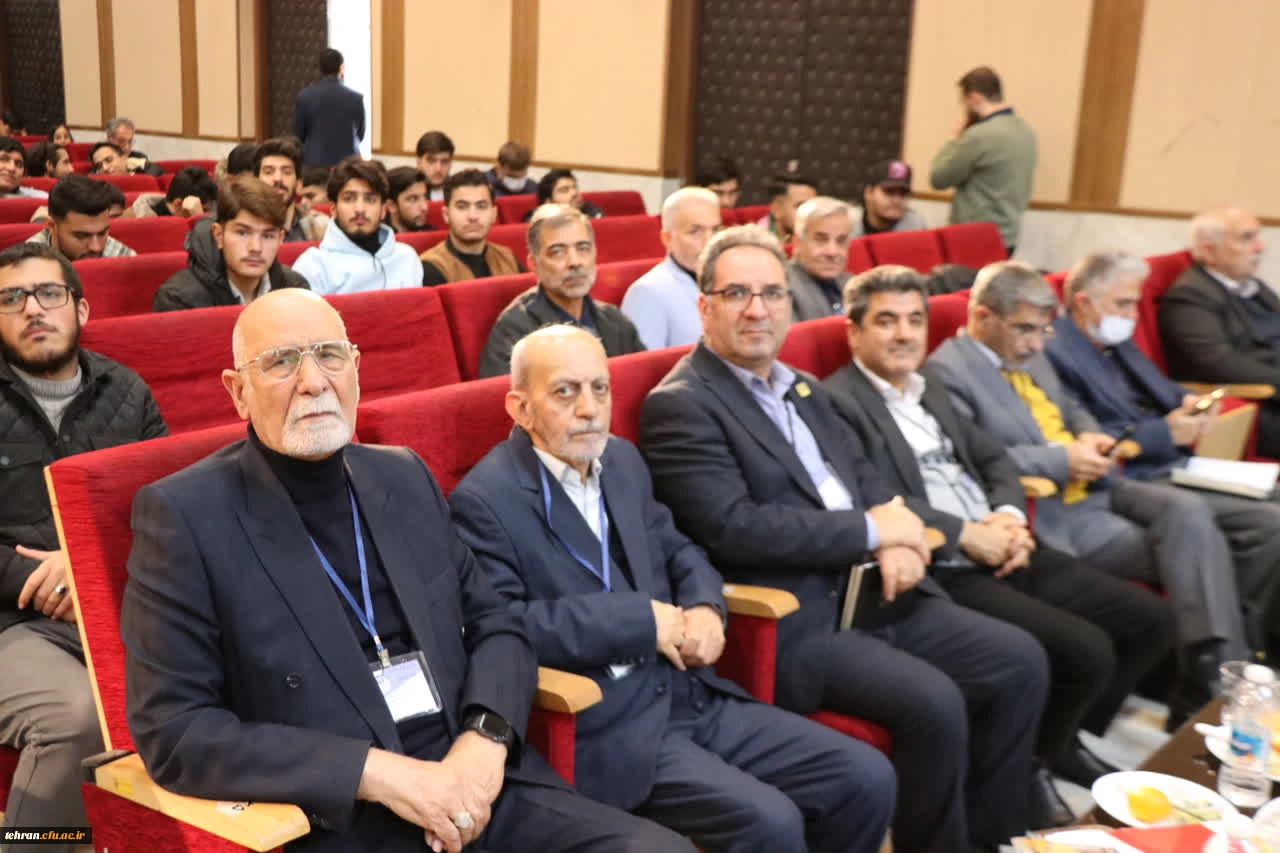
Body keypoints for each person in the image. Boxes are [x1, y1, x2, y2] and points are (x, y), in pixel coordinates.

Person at [120, 288, 692, 853]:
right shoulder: (185, 515)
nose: (313, 381)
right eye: (281, 362)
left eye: (329, 355)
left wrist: (485, 740)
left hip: (477, 782)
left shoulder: (403, 476)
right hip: (344, 815)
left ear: (356, 369)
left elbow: (497, 624)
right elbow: (176, 731)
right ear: (238, 391)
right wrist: (379, 774)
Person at [639, 225, 1049, 853]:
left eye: (772, 294)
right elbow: (733, 527)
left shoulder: (801, 387)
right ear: (704, 307)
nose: (757, 310)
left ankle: (995, 837)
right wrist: (873, 530)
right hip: (799, 618)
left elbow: (863, 477)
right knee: (936, 702)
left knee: (1020, 660)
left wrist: (898, 536)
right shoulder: (683, 403)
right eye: (737, 294)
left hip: (879, 588)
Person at [451, 325, 896, 853]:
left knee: (864, 777)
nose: (589, 409)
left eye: (600, 389)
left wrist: (705, 606)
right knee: (770, 822)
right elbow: (508, 626)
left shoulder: (621, 461)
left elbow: (680, 548)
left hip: (690, 692)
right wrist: (642, 622)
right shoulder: (486, 500)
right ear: (521, 408)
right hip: (610, 723)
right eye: (565, 392)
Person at [824, 266, 1174, 824]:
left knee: (1149, 620)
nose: (904, 334)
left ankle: (1054, 743)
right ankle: (1023, 777)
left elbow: (993, 459)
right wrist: (968, 535)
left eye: (914, 320)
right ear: (854, 331)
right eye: (886, 321)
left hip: (1000, 539)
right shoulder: (838, 400)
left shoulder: (928, 384)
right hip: (946, 562)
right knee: (1081, 649)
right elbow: (877, 497)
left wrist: (1009, 519)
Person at [927, 260, 1258, 728]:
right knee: (1200, 550)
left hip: (1098, 478)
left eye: (1044, 330)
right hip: (1055, 506)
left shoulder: (1030, 352)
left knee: (1188, 512)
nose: (1037, 343)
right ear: (982, 316)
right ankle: (1207, 678)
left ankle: (1212, 670)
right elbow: (980, 456)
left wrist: (1089, 436)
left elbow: (1070, 406)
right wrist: (1063, 460)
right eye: (1024, 329)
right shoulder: (947, 372)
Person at [0, 241, 166, 851]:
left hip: (114, 603)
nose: (32, 309)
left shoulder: (127, 391)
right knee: (73, 719)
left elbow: (164, 509)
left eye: (48, 293)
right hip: (11, 620)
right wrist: (34, 580)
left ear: (81, 308)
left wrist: (86, 568)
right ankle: (41, 842)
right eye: (10, 299)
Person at [1048, 250, 1280, 650]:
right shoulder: (1054, 352)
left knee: (1274, 501)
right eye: (1123, 304)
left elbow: (1161, 387)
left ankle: (1258, 638)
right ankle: (1233, 650)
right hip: (1135, 474)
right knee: (1269, 523)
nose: (1132, 315)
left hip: (1175, 463)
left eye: (1135, 304)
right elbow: (1088, 437)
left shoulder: (1114, 341)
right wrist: (1166, 432)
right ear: (1083, 302)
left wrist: (1189, 402)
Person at [1159, 207, 1280, 458]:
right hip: (1258, 404)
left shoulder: (1251, 285)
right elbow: (1219, 364)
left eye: (1257, 237)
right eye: (1246, 238)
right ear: (1208, 251)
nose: (1260, 247)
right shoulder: (1190, 296)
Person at [479, 205, 644, 378]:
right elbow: (502, 393)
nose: (575, 262)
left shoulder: (615, 320)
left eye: (583, 249)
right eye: (557, 252)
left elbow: (640, 381)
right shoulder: (514, 329)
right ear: (534, 264)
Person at [153, 176, 310, 312]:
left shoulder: (296, 289)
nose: (256, 248)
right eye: (243, 233)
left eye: (268, 236)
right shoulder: (178, 299)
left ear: (281, 239)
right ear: (219, 235)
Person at [929, 66, 1037, 255]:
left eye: (964, 102)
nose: (965, 109)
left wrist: (953, 140)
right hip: (1007, 236)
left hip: (973, 238)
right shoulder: (1025, 132)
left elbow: (938, 178)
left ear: (975, 98)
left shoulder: (979, 136)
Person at [291, 157, 423, 295]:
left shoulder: (407, 258)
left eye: (370, 200)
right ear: (333, 209)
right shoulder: (313, 265)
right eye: (349, 199)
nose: (360, 209)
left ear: (383, 210)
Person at [620, 187, 721, 349]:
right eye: (695, 231)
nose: (710, 241)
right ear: (667, 239)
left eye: (716, 230)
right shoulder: (648, 292)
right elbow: (644, 362)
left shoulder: (730, 280)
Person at [420, 170, 521, 286]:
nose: (473, 216)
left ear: (494, 214)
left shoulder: (507, 257)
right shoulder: (431, 266)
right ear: (446, 214)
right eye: (462, 207)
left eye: (481, 206)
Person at [27, 175, 135, 260]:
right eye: (82, 236)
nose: (96, 247)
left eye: (102, 233)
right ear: (51, 226)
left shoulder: (123, 257)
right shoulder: (28, 264)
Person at [294, 48, 365, 167]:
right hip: (348, 165)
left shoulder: (304, 96)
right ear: (341, 67)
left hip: (314, 163)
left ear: (320, 69)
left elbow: (299, 134)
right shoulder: (356, 98)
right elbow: (360, 134)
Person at [787, 196, 853, 321]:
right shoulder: (782, 288)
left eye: (841, 241)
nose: (832, 252)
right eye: (821, 240)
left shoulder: (852, 283)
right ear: (797, 242)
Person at [255, 137, 330, 242]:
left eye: (287, 172)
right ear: (255, 182)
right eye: (269, 172)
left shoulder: (321, 226)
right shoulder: (242, 227)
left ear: (298, 184)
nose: (278, 178)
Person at [851, 160, 928, 238]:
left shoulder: (916, 227)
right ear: (869, 192)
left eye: (903, 193)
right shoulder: (849, 226)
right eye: (889, 191)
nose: (897, 200)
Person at [127, 165, 217, 218]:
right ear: (178, 204)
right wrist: (198, 220)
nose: (206, 215)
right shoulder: (134, 220)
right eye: (203, 210)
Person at [756, 171, 817, 243]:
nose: (809, 213)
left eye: (813, 206)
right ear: (776, 210)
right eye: (800, 206)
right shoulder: (757, 242)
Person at [523, 169, 602, 220]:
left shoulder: (590, 211)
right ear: (549, 201)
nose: (574, 193)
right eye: (564, 190)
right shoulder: (535, 219)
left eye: (575, 187)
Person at [383, 166, 430, 234]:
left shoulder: (433, 234)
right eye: (413, 199)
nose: (424, 207)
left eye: (425, 197)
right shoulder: (380, 238)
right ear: (392, 206)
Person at [416, 131, 454, 202]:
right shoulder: (407, 190)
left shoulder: (457, 190)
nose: (438, 169)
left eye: (444, 161)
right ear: (418, 162)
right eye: (431, 161)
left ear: (451, 163)